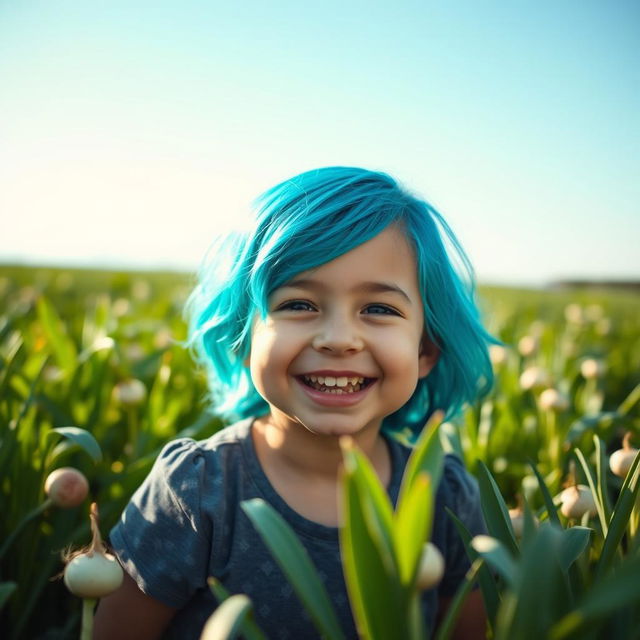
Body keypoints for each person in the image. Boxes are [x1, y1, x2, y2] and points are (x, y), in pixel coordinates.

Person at [94, 166, 494, 639]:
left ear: (426, 350)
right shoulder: (197, 491)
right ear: (243, 341)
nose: (339, 339)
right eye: (298, 304)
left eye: (379, 309)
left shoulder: (443, 498)